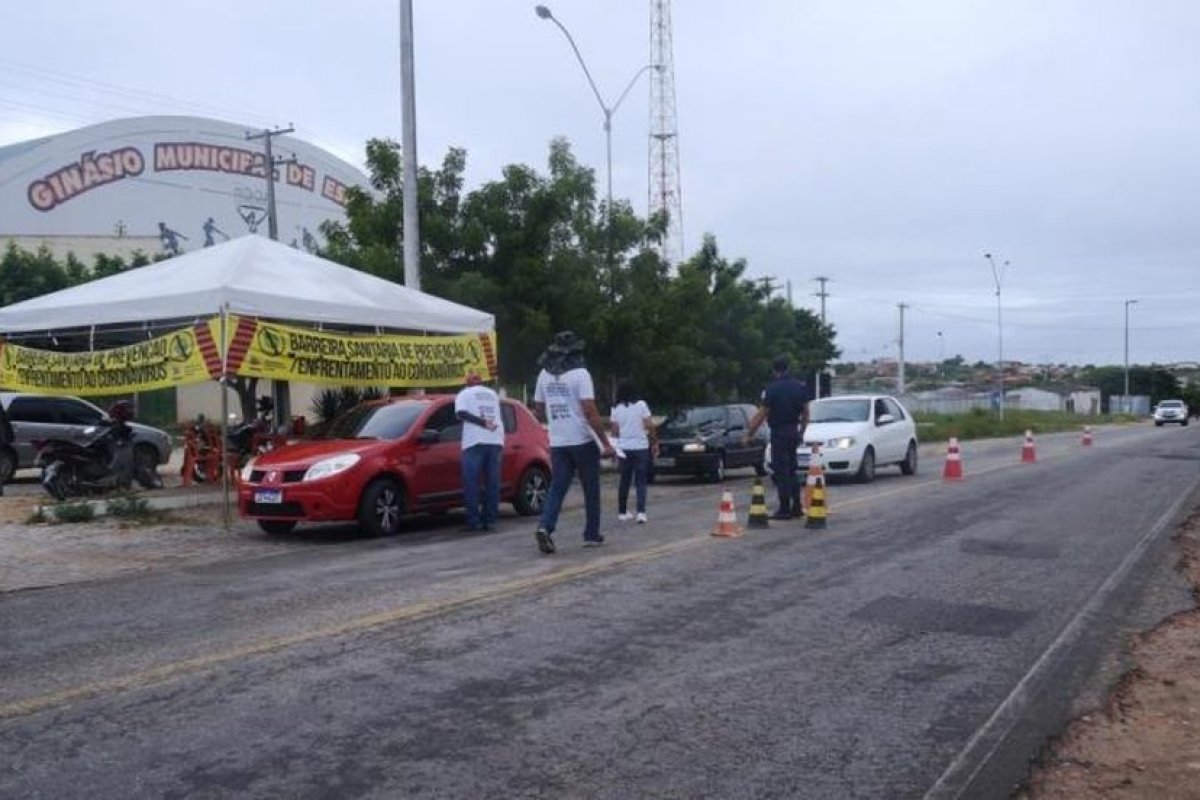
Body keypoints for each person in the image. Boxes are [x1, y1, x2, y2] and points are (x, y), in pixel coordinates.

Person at [532, 330, 614, 554]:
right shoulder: (581, 374)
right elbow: (589, 410)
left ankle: (545, 527)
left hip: (558, 441)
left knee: (557, 487)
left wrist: (557, 421)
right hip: (582, 440)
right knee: (591, 489)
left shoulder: (543, 375)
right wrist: (605, 443)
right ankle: (591, 534)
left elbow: (538, 410)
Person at [745, 355, 812, 519]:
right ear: (788, 368)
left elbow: (762, 414)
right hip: (793, 431)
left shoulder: (772, 389)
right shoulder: (799, 387)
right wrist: (801, 432)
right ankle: (796, 506)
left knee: (781, 472)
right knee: (792, 470)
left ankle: (784, 509)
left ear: (774, 371)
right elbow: (806, 413)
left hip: (779, 432)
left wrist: (749, 434)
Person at [455, 371, 504, 532]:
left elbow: (461, 413)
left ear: (468, 382)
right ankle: (490, 520)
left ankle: (474, 522)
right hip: (495, 440)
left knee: (471, 483)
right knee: (492, 483)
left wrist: (482, 422)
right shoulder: (492, 394)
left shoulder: (464, 393)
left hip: (474, 441)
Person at [609, 380, 657, 524]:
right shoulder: (641, 405)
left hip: (624, 448)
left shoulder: (615, 408)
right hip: (640, 446)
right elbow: (649, 425)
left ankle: (622, 512)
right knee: (640, 481)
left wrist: (615, 448)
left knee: (624, 481)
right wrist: (654, 442)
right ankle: (641, 513)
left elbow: (614, 431)